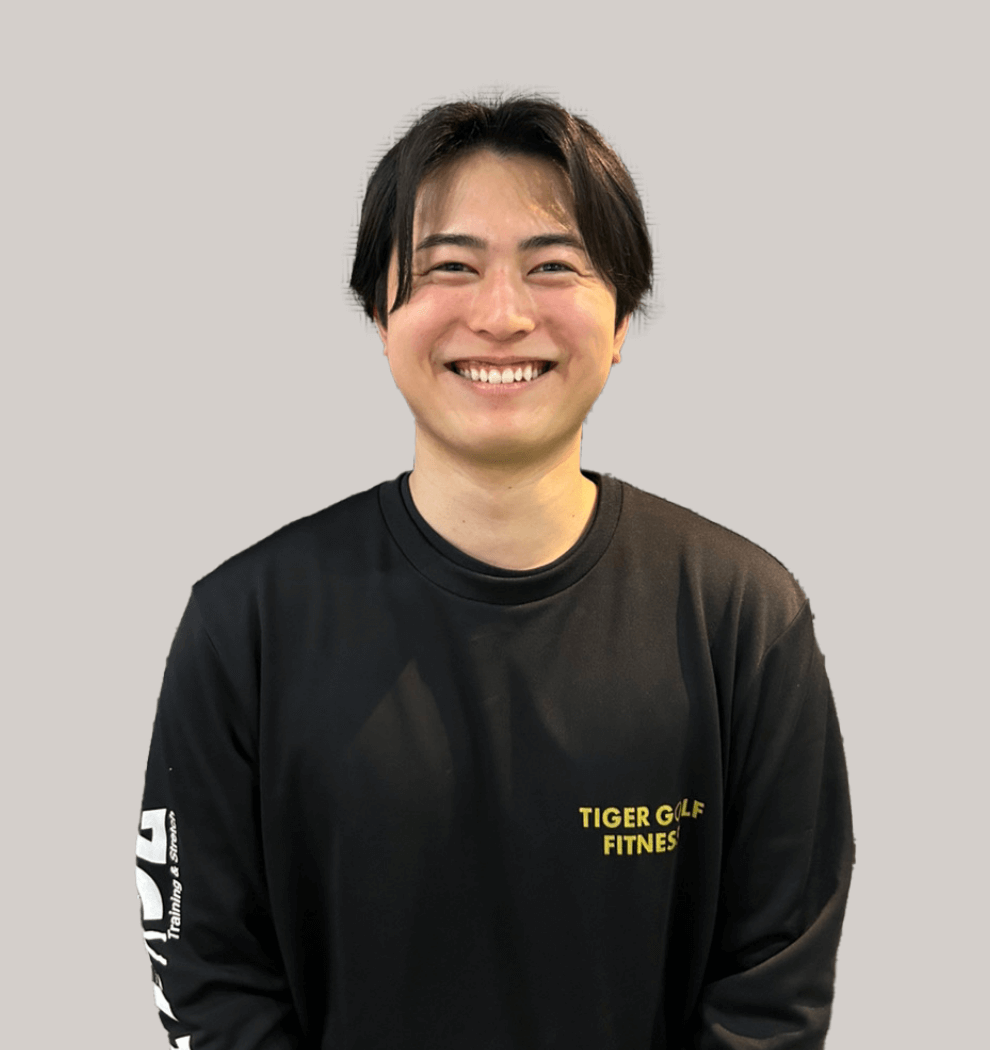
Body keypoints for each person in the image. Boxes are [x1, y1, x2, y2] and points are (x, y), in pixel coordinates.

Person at [136, 95, 853, 1049]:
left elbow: (773, 993)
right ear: (379, 314)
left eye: (553, 265)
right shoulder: (245, 626)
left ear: (622, 319)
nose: (502, 315)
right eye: (450, 267)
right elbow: (210, 977)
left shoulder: (744, 619)